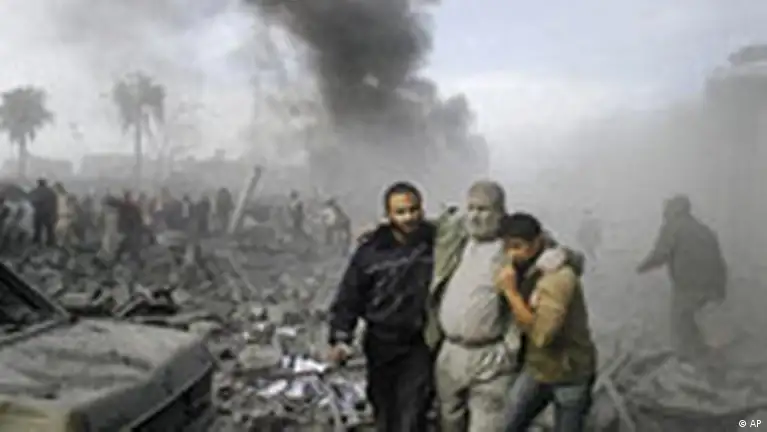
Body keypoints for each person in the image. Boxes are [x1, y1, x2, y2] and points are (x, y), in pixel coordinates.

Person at [426, 181, 583, 432]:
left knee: (487, 425)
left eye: (483, 209)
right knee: (449, 420)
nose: (475, 216)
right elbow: (424, 225)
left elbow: (566, 257)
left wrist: (565, 254)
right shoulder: (457, 235)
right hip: (450, 353)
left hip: (491, 356)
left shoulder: (512, 244)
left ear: (500, 212)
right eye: (471, 208)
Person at [327, 181, 434, 432]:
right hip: (381, 342)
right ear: (388, 215)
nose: (408, 217)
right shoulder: (371, 252)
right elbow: (349, 297)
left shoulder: (434, 243)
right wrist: (341, 338)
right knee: (385, 408)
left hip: (419, 342)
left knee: (413, 411)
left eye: (413, 210)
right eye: (400, 212)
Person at [496, 212, 597, 432]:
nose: (511, 253)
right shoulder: (524, 264)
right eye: (507, 246)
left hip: (568, 372)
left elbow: (542, 335)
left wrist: (511, 293)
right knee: (506, 424)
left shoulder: (557, 277)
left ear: (537, 243)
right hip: (537, 366)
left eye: (518, 246)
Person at [636, 194, 727, 362]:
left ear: (674, 210)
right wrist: (720, 290)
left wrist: (639, 269)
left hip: (688, 285)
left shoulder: (673, 227)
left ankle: (692, 359)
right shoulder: (704, 230)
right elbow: (720, 262)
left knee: (681, 322)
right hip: (712, 286)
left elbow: (660, 254)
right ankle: (704, 354)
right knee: (695, 321)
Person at [29, 178, 57, 247]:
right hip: (48, 213)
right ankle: (50, 242)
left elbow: (32, 201)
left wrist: (36, 207)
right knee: (49, 229)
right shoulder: (51, 192)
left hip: (39, 212)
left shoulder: (36, 191)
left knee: (37, 228)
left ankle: (37, 242)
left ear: (39, 183)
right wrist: (53, 213)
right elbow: (54, 203)